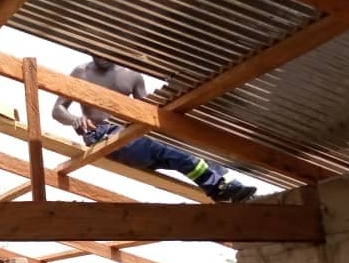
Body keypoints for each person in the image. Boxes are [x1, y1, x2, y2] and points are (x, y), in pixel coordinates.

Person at [51, 56, 257, 203]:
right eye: (95, 51)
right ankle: (217, 188)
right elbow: (58, 109)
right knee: (173, 151)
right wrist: (75, 120)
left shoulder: (132, 75)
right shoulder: (81, 72)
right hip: (105, 137)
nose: (101, 57)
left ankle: (231, 186)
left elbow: (149, 113)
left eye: (105, 51)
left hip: (136, 136)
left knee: (188, 146)